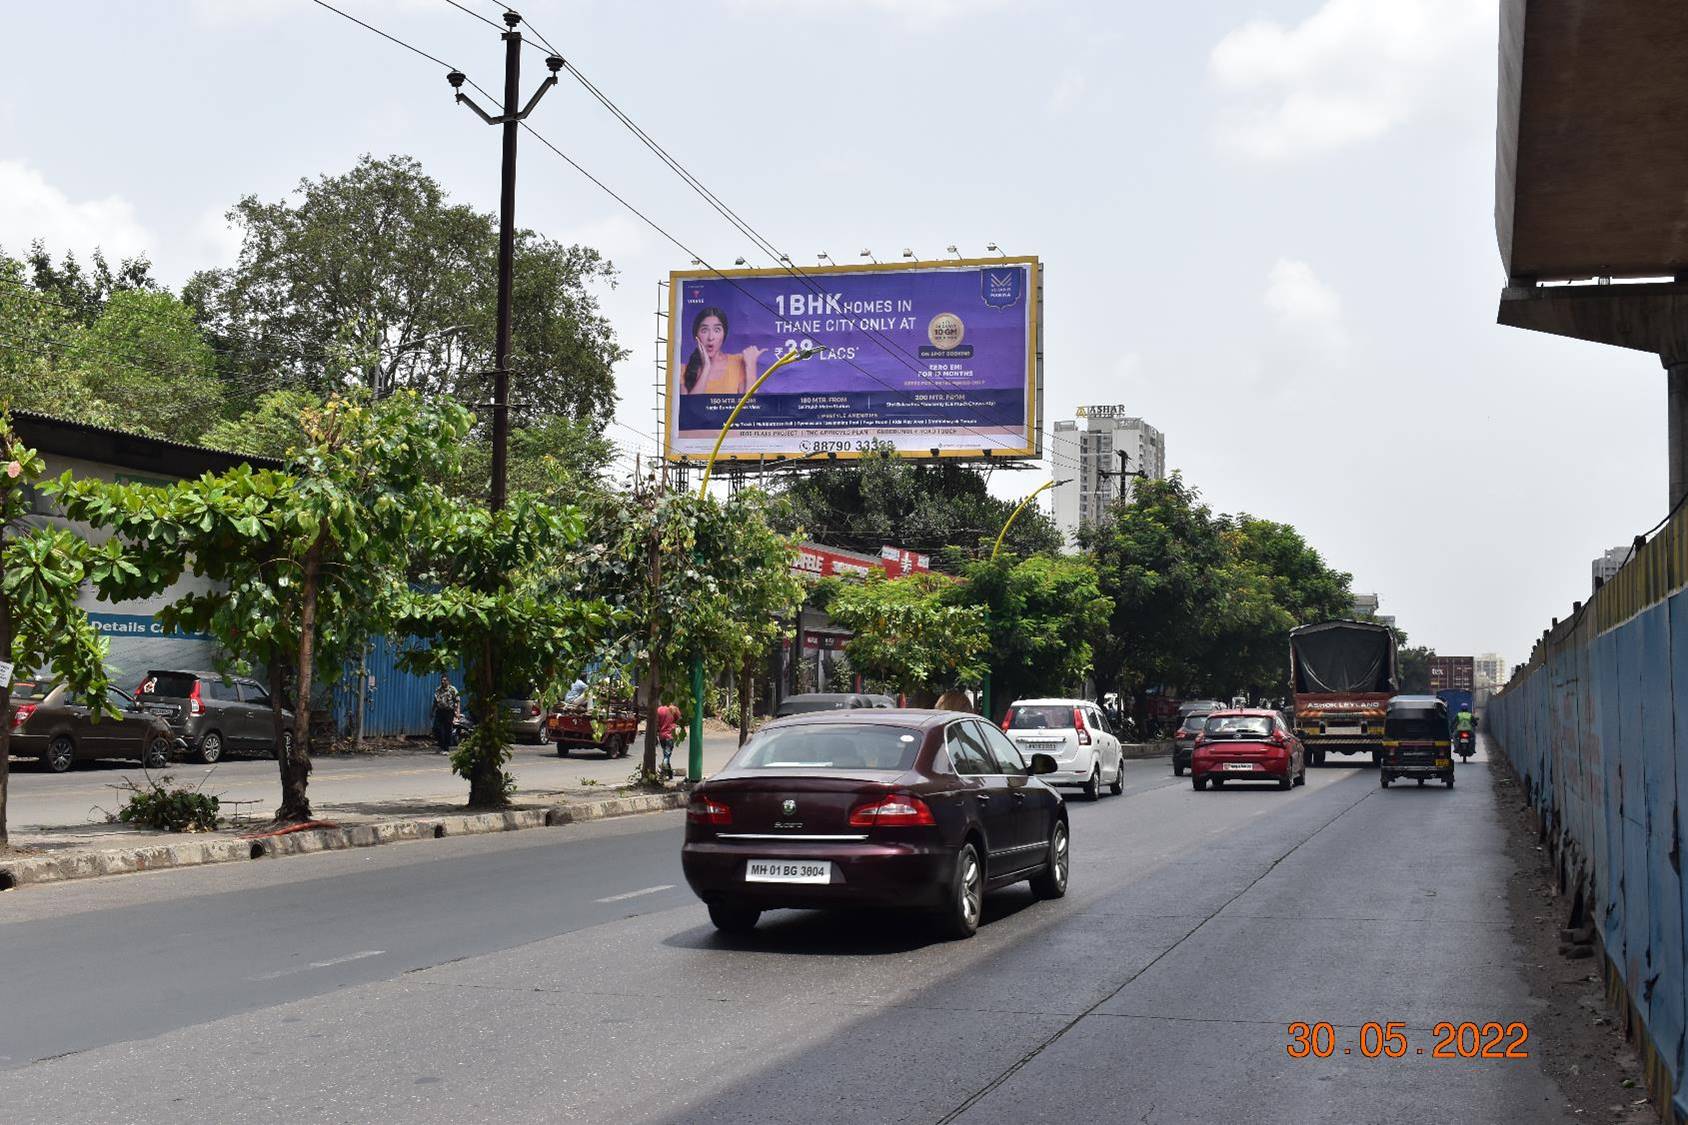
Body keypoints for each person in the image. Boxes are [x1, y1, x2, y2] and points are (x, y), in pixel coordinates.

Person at [678, 306, 763, 395]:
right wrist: (706, 367)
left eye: (717, 330)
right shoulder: (683, 370)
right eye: (704, 330)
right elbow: (690, 407)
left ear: (724, 334)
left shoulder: (737, 362)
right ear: (696, 337)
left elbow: (751, 405)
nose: (711, 337)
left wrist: (751, 367)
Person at [431, 674, 460, 754]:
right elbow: (435, 701)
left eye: (444, 680)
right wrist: (432, 711)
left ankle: (446, 748)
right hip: (440, 711)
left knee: (447, 730)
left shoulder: (452, 689)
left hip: (449, 712)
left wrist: (458, 712)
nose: (443, 682)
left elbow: (457, 701)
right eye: (442, 680)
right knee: (436, 728)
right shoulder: (438, 689)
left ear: (448, 681)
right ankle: (441, 745)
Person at [656, 701, 681, 777]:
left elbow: (657, 722)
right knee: (667, 756)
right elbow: (679, 719)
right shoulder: (674, 709)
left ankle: (669, 774)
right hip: (670, 735)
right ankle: (663, 770)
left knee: (666, 754)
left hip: (662, 736)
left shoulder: (659, 710)